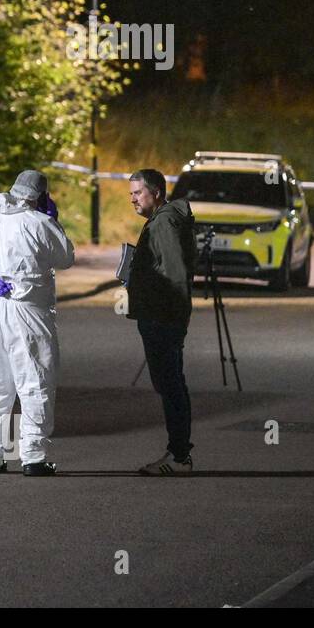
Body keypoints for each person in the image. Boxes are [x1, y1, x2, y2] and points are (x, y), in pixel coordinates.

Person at [0, 170, 76, 476]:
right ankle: (33, 456)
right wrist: (53, 221)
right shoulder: (39, 223)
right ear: (41, 196)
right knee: (35, 380)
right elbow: (65, 257)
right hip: (30, 312)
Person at [126, 168, 197, 476]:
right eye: (130, 194)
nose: (132, 199)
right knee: (170, 384)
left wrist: (173, 319)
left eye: (137, 193)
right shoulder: (163, 219)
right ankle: (178, 452)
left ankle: (179, 456)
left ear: (155, 193)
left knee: (170, 385)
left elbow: (174, 274)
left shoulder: (165, 222)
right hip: (162, 316)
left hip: (163, 318)